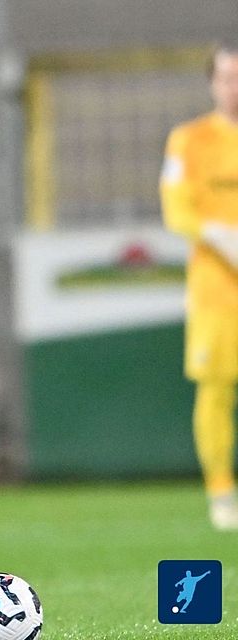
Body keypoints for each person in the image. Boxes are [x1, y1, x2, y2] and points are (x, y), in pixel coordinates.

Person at [161, 41, 238, 532]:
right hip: (217, 287)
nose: (235, 87)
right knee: (216, 390)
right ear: (213, 82)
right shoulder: (189, 140)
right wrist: (220, 237)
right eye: (228, 77)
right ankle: (221, 492)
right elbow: (177, 207)